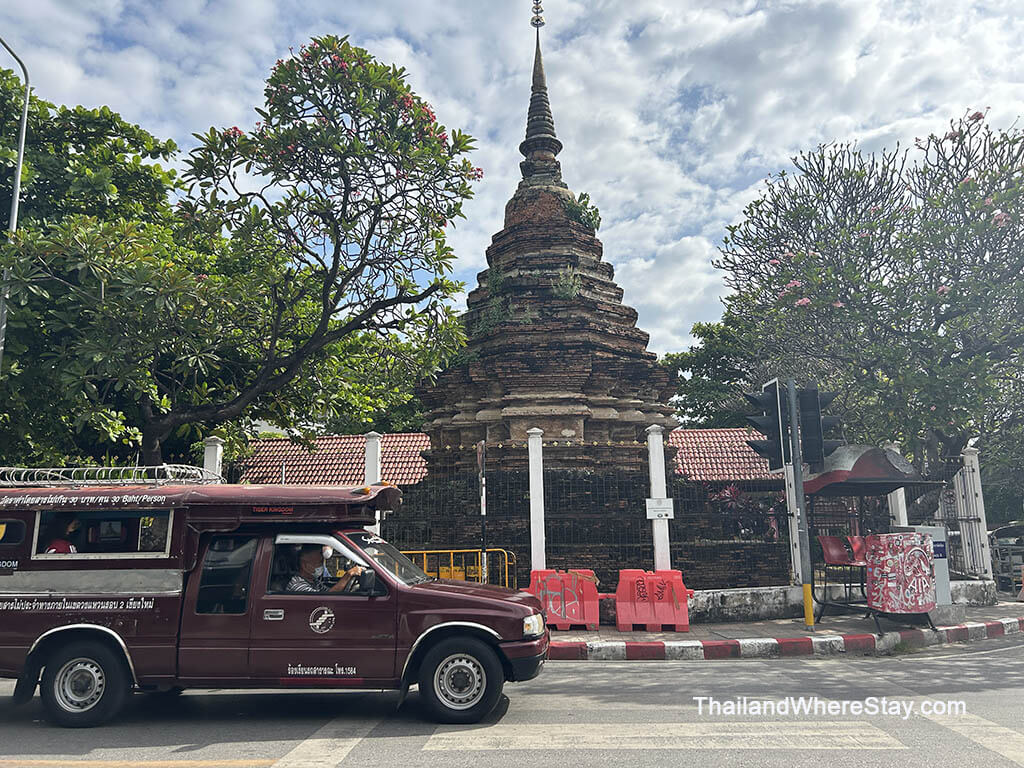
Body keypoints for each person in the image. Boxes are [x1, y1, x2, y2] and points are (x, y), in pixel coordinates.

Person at [286, 544, 364, 593]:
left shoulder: (314, 581)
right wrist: (348, 575)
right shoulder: (298, 585)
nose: (322, 566)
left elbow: (327, 591)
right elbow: (326, 598)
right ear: (305, 566)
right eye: (319, 562)